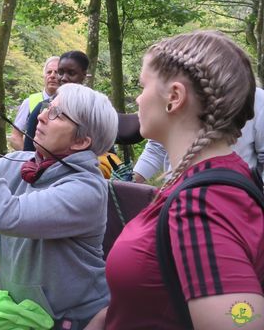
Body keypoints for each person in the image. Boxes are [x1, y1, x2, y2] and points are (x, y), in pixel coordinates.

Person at [88, 30, 264, 330]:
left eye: (143, 86)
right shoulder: (206, 181)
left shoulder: (201, 206)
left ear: (174, 97)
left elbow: (242, 318)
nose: (137, 98)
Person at [0, 83, 118, 329]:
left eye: (57, 114)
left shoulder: (86, 189)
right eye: (47, 107)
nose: (41, 116)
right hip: (19, 311)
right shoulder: (23, 163)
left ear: (80, 141)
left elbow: (5, 215)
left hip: (71, 320)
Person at [133, 87, 264, 182]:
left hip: (238, 201)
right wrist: (129, 183)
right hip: (176, 197)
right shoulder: (178, 94)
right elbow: (156, 148)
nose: (138, 98)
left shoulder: (257, 99)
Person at [23, 50, 89, 151]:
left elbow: (106, 150)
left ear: (84, 75)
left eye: (71, 73)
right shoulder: (43, 107)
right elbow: (29, 151)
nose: (63, 78)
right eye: (61, 72)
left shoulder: (93, 109)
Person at [10, 56, 60, 150]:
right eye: (49, 72)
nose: (52, 75)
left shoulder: (69, 103)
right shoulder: (29, 102)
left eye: (57, 72)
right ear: (44, 76)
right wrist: (30, 158)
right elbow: (15, 137)